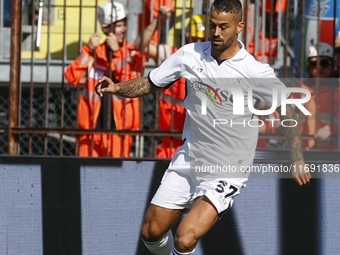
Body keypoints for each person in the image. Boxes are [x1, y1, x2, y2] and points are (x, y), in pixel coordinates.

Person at [95, 0, 311, 254]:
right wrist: (118, 87)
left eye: (224, 26)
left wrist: (297, 158)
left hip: (228, 166)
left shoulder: (255, 71)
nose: (216, 32)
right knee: (151, 232)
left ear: (240, 26)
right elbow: (150, 83)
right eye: (213, 25)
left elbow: (289, 111)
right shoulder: (190, 54)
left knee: (185, 238)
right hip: (190, 156)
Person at [64, 1, 143, 157]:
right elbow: (72, 77)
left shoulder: (132, 53)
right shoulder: (94, 53)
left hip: (120, 128)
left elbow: (131, 83)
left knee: (117, 174)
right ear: (106, 28)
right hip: (91, 128)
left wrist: (118, 53)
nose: (124, 29)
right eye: (119, 25)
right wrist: (87, 50)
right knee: (86, 173)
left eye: (124, 24)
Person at [134, 14, 207, 158]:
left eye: (202, 40)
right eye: (195, 38)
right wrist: (159, 20)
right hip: (170, 139)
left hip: (198, 142)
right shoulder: (174, 55)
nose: (198, 43)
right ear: (187, 36)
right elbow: (140, 45)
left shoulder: (213, 64)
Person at [295, 42, 339, 149]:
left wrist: (330, 129)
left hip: (330, 150)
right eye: (314, 64)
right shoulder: (300, 88)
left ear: (332, 65)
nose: (319, 68)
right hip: (304, 149)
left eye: (324, 63)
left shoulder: (338, 89)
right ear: (309, 67)